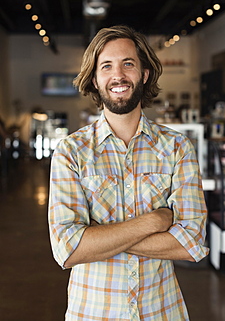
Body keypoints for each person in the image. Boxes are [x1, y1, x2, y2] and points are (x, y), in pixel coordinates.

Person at [48, 25, 209, 321]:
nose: (118, 76)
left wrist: (98, 237)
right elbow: (68, 250)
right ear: (95, 80)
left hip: (162, 311)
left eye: (128, 64)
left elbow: (191, 242)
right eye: (106, 66)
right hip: (93, 313)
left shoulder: (177, 147)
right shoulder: (70, 152)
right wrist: (154, 221)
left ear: (144, 74)